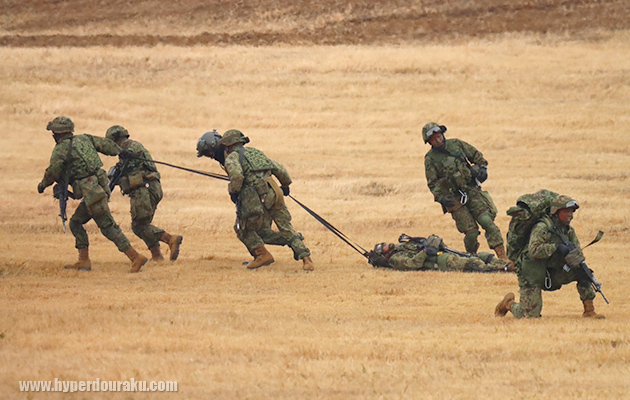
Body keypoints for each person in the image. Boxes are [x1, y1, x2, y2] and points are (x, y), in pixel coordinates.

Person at [37, 116, 148, 273]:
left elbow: (53, 172)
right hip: (100, 188)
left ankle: (135, 257)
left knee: (108, 227)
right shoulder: (84, 138)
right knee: (75, 223)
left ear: (57, 134)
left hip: (92, 194)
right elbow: (106, 145)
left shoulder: (60, 150)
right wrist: (122, 152)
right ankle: (83, 261)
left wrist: (42, 185)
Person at [216, 129, 314, 271]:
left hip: (254, 199)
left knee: (242, 229)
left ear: (228, 146)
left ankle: (262, 255)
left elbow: (237, 177)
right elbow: (280, 170)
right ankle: (306, 260)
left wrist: (233, 191)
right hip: (274, 193)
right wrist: (285, 186)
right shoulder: (256, 153)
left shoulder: (233, 157)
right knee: (286, 228)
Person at [495, 195, 605, 319]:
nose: (570, 215)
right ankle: (509, 304)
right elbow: (534, 251)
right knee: (530, 316)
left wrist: (576, 259)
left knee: (582, 272)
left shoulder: (568, 230)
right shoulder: (542, 227)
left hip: (553, 272)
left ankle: (589, 311)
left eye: (571, 212)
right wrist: (556, 247)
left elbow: (576, 250)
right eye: (566, 211)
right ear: (556, 212)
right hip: (533, 272)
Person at [422, 122, 510, 267]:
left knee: (487, 222)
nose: (437, 139)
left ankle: (503, 257)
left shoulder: (456, 145)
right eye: (433, 138)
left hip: (471, 190)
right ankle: (472, 259)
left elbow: (477, 156)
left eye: (438, 136)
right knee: (471, 233)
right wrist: (442, 198)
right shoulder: (430, 159)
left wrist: (482, 168)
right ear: (429, 142)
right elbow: (432, 184)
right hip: (454, 199)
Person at [106, 125, 183, 262]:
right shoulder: (124, 156)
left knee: (139, 226)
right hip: (150, 188)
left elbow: (133, 151)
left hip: (144, 190)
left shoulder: (131, 146)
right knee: (145, 224)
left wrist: (125, 154)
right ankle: (157, 255)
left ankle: (170, 239)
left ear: (115, 139)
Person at [368, 234, 512, 272]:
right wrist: (426, 251)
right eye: (382, 247)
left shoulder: (401, 246)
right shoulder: (395, 258)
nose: (385, 245)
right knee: (472, 263)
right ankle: (504, 269)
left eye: (383, 243)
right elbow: (413, 264)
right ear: (384, 255)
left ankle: (507, 263)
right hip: (438, 262)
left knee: (480, 256)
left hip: (443, 253)